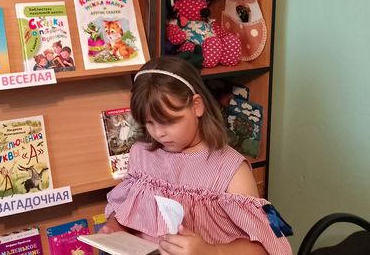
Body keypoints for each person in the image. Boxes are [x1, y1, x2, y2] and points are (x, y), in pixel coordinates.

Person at [100, 56, 292, 255]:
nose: (158, 133)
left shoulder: (231, 170)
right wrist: (116, 227)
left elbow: (262, 249)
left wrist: (210, 251)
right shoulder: (141, 155)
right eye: (149, 123)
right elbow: (128, 212)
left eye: (168, 121)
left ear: (197, 106)